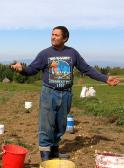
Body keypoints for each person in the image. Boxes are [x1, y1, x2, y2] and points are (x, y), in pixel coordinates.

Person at [11, 26, 119, 161]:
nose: (53, 37)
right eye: (52, 34)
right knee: (46, 126)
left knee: (60, 125)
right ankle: (46, 159)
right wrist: (22, 69)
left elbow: (87, 69)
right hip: (49, 93)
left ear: (65, 38)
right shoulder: (45, 54)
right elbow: (32, 70)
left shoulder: (72, 53)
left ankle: (55, 154)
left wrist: (105, 78)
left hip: (66, 94)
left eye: (56, 35)